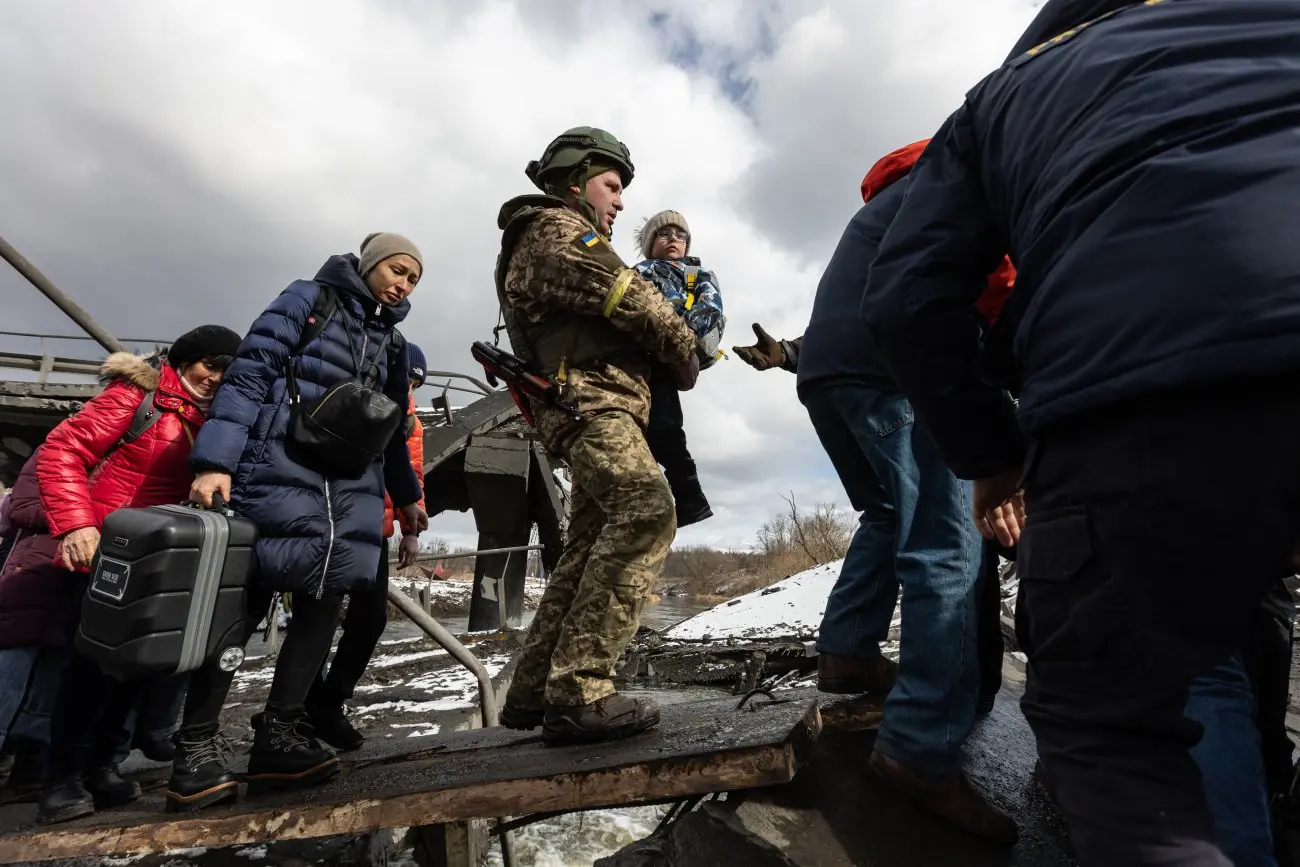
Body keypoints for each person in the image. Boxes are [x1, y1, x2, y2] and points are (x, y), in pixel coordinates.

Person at [859, 1, 1300, 863]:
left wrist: (995, 455)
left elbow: (909, 297)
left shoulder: (1003, 97)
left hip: (1143, 407)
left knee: (1124, 696)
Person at [733, 141, 1019, 843]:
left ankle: (848, 647)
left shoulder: (894, 201)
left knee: (890, 512)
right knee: (949, 543)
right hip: (891, 369)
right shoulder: (975, 187)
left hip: (830, 376)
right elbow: (1002, 293)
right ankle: (920, 748)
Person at [183, 233, 427, 803]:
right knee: (246, 603)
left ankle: (281, 733)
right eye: (396, 270)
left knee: (329, 593)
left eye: (413, 279)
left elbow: (390, 429)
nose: (403, 284)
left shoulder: (391, 343)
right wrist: (216, 461)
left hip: (347, 489)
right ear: (369, 265)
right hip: (279, 466)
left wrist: (408, 495)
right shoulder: (307, 299)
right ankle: (194, 745)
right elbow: (249, 372)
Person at [493, 126, 699, 744]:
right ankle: (579, 691)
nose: (620, 201)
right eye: (612, 185)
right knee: (645, 511)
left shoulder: (551, 233)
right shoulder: (554, 231)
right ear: (575, 180)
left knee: (585, 546)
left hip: (597, 406)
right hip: (590, 403)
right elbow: (634, 297)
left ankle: (531, 692)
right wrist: (685, 347)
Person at [20, 328, 242, 825]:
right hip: (110, 551)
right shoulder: (137, 397)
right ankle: (62, 780)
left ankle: (103, 765)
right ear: (185, 360)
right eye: (210, 364)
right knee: (89, 668)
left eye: (226, 370)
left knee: (140, 665)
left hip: (164, 557)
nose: (216, 378)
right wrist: (76, 524)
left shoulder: (217, 417)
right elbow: (63, 451)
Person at [305, 343, 428, 751]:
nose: (409, 386)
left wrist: (411, 528)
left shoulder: (409, 422)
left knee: (370, 618)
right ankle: (298, 708)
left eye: (414, 382)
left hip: (375, 529)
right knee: (315, 620)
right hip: (328, 523)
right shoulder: (349, 394)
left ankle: (327, 701)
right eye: (407, 378)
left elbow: (410, 472)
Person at [630, 210, 725, 528]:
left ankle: (691, 500)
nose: (673, 240)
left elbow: (711, 306)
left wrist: (679, 333)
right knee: (636, 430)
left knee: (667, 428)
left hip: (670, 357)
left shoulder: (697, 274)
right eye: (664, 234)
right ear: (649, 242)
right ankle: (643, 496)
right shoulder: (636, 272)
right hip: (635, 357)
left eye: (680, 235)